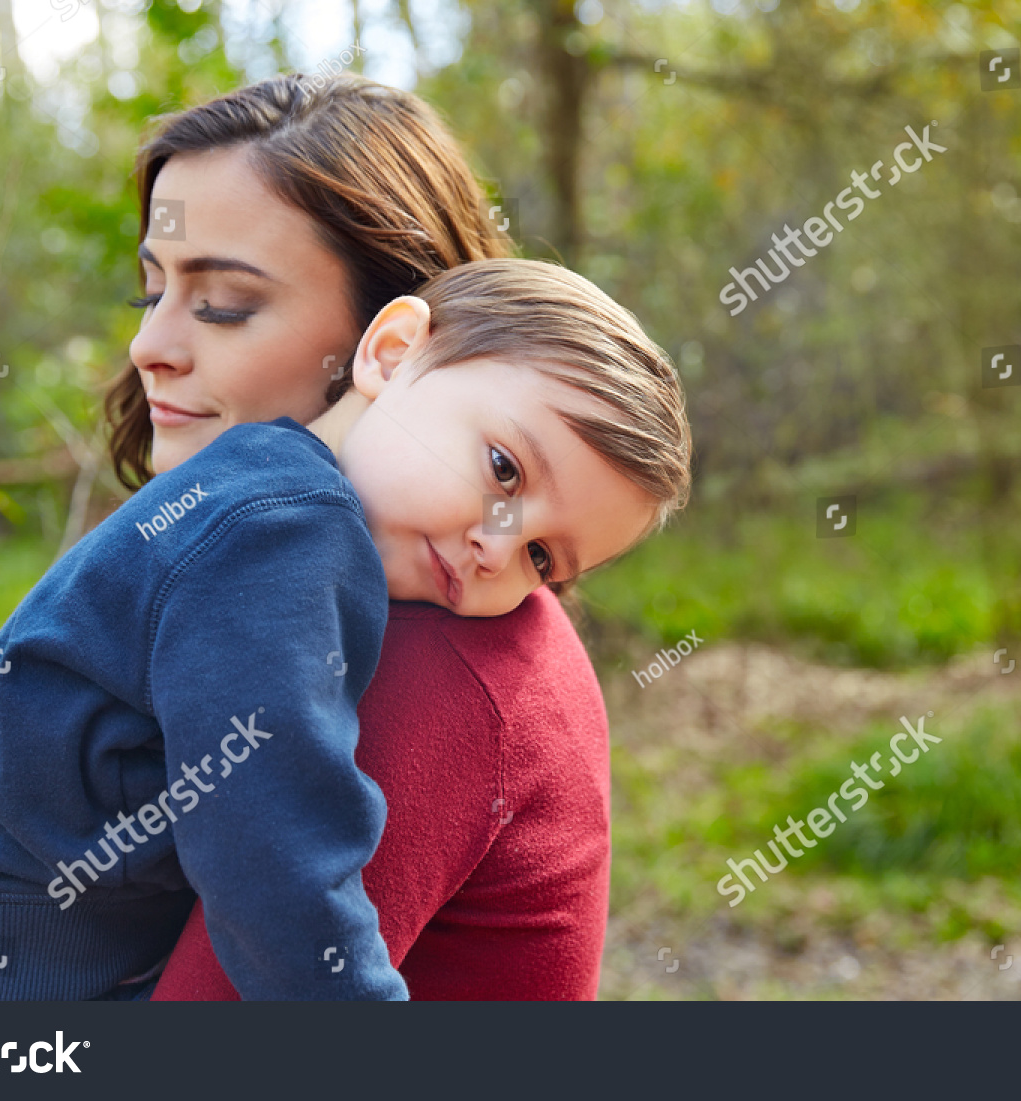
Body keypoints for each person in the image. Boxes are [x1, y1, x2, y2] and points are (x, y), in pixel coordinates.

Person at [0, 254, 690, 1001]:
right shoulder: (281, 536)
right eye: (504, 470)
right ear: (393, 352)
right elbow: (275, 858)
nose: (496, 547)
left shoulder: (266, 488)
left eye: (544, 559)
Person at [123, 72, 650, 1002]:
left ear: (387, 339)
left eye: (225, 303)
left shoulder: (428, 649)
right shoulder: (296, 585)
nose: (149, 346)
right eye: (153, 290)